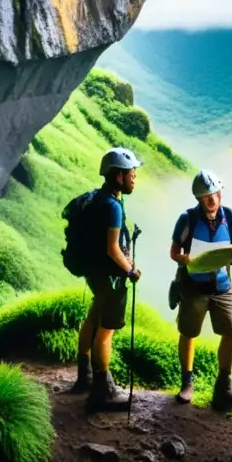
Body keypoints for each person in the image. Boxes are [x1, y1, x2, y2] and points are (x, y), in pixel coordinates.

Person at [70, 147, 144, 412]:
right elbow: (113, 248)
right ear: (118, 176)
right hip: (110, 276)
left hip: (95, 272)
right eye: (131, 173)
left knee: (93, 317)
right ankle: (103, 391)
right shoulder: (112, 206)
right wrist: (130, 271)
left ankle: (85, 376)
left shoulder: (98, 198)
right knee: (106, 330)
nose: (135, 177)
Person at [169, 169, 232, 409]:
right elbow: (174, 252)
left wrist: (231, 249)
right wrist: (188, 260)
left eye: (215, 193)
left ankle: (224, 384)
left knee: (231, 332)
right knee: (189, 332)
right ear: (198, 199)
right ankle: (187, 382)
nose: (212, 199)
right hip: (194, 286)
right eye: (206, 196)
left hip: (223, 285)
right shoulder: (188, 219)